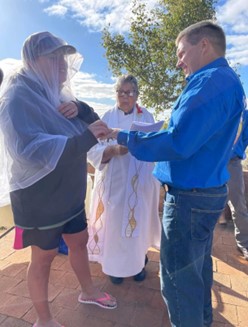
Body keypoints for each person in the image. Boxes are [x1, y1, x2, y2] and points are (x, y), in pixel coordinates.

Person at [108, 21, 246, 327]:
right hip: (205, 193)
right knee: (196, 271)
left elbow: (179, 141)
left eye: (181, 52)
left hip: (189, 199)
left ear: (204, 46)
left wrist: (125, 137)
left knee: (177, 282)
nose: (178, 60)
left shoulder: (209, 82)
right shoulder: (225, 81)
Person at [0, 31, 117, 327]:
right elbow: (28, 151)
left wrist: (82, 110)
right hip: (40, 198)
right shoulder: (16, 97)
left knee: (79, 241)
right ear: (32, 60)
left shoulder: (55, 90)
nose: (62, 65)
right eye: (54, 58)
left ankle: (88, 291)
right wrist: (84, 140)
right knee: (44, 257)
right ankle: (44, 320)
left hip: (70, 193)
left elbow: (88, 118)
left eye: (64, 58)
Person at [87, 74, 161, 284]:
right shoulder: (106, 117)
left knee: (139, 221)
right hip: (115, 181)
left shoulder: (146, 116)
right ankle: (114, 267)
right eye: (121, 92)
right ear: (116, 94)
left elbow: (153, 144)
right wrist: (111, 150)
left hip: (140, 181)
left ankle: (138, 263)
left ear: (137, 95)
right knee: (114, 224)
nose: (125, 96)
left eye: (130, 92)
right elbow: (93, 149)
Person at [220, 109, 248, 260]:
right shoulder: (218, 107)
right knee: (206, 201)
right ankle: (203, 244)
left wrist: (234, 152)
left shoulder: (245, 114)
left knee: (238, 204)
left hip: (233, 163)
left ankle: (244, 243)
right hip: (213, 162)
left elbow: (245, 138)